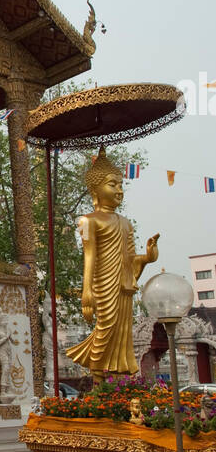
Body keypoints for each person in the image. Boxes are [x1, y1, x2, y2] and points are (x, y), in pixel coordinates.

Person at [67, 147, 159, 376]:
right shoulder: (88, 220)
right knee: (105, 329)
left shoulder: (126, 223)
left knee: (123, 333)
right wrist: (86, 292)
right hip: (103, 284)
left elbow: (129, 258)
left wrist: (147, 257)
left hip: (124, 285)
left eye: (120, 185)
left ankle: (117, 382)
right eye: (112, 185)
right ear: (95, 190)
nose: (119, 190)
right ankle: (99, 382)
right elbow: (89, 257)